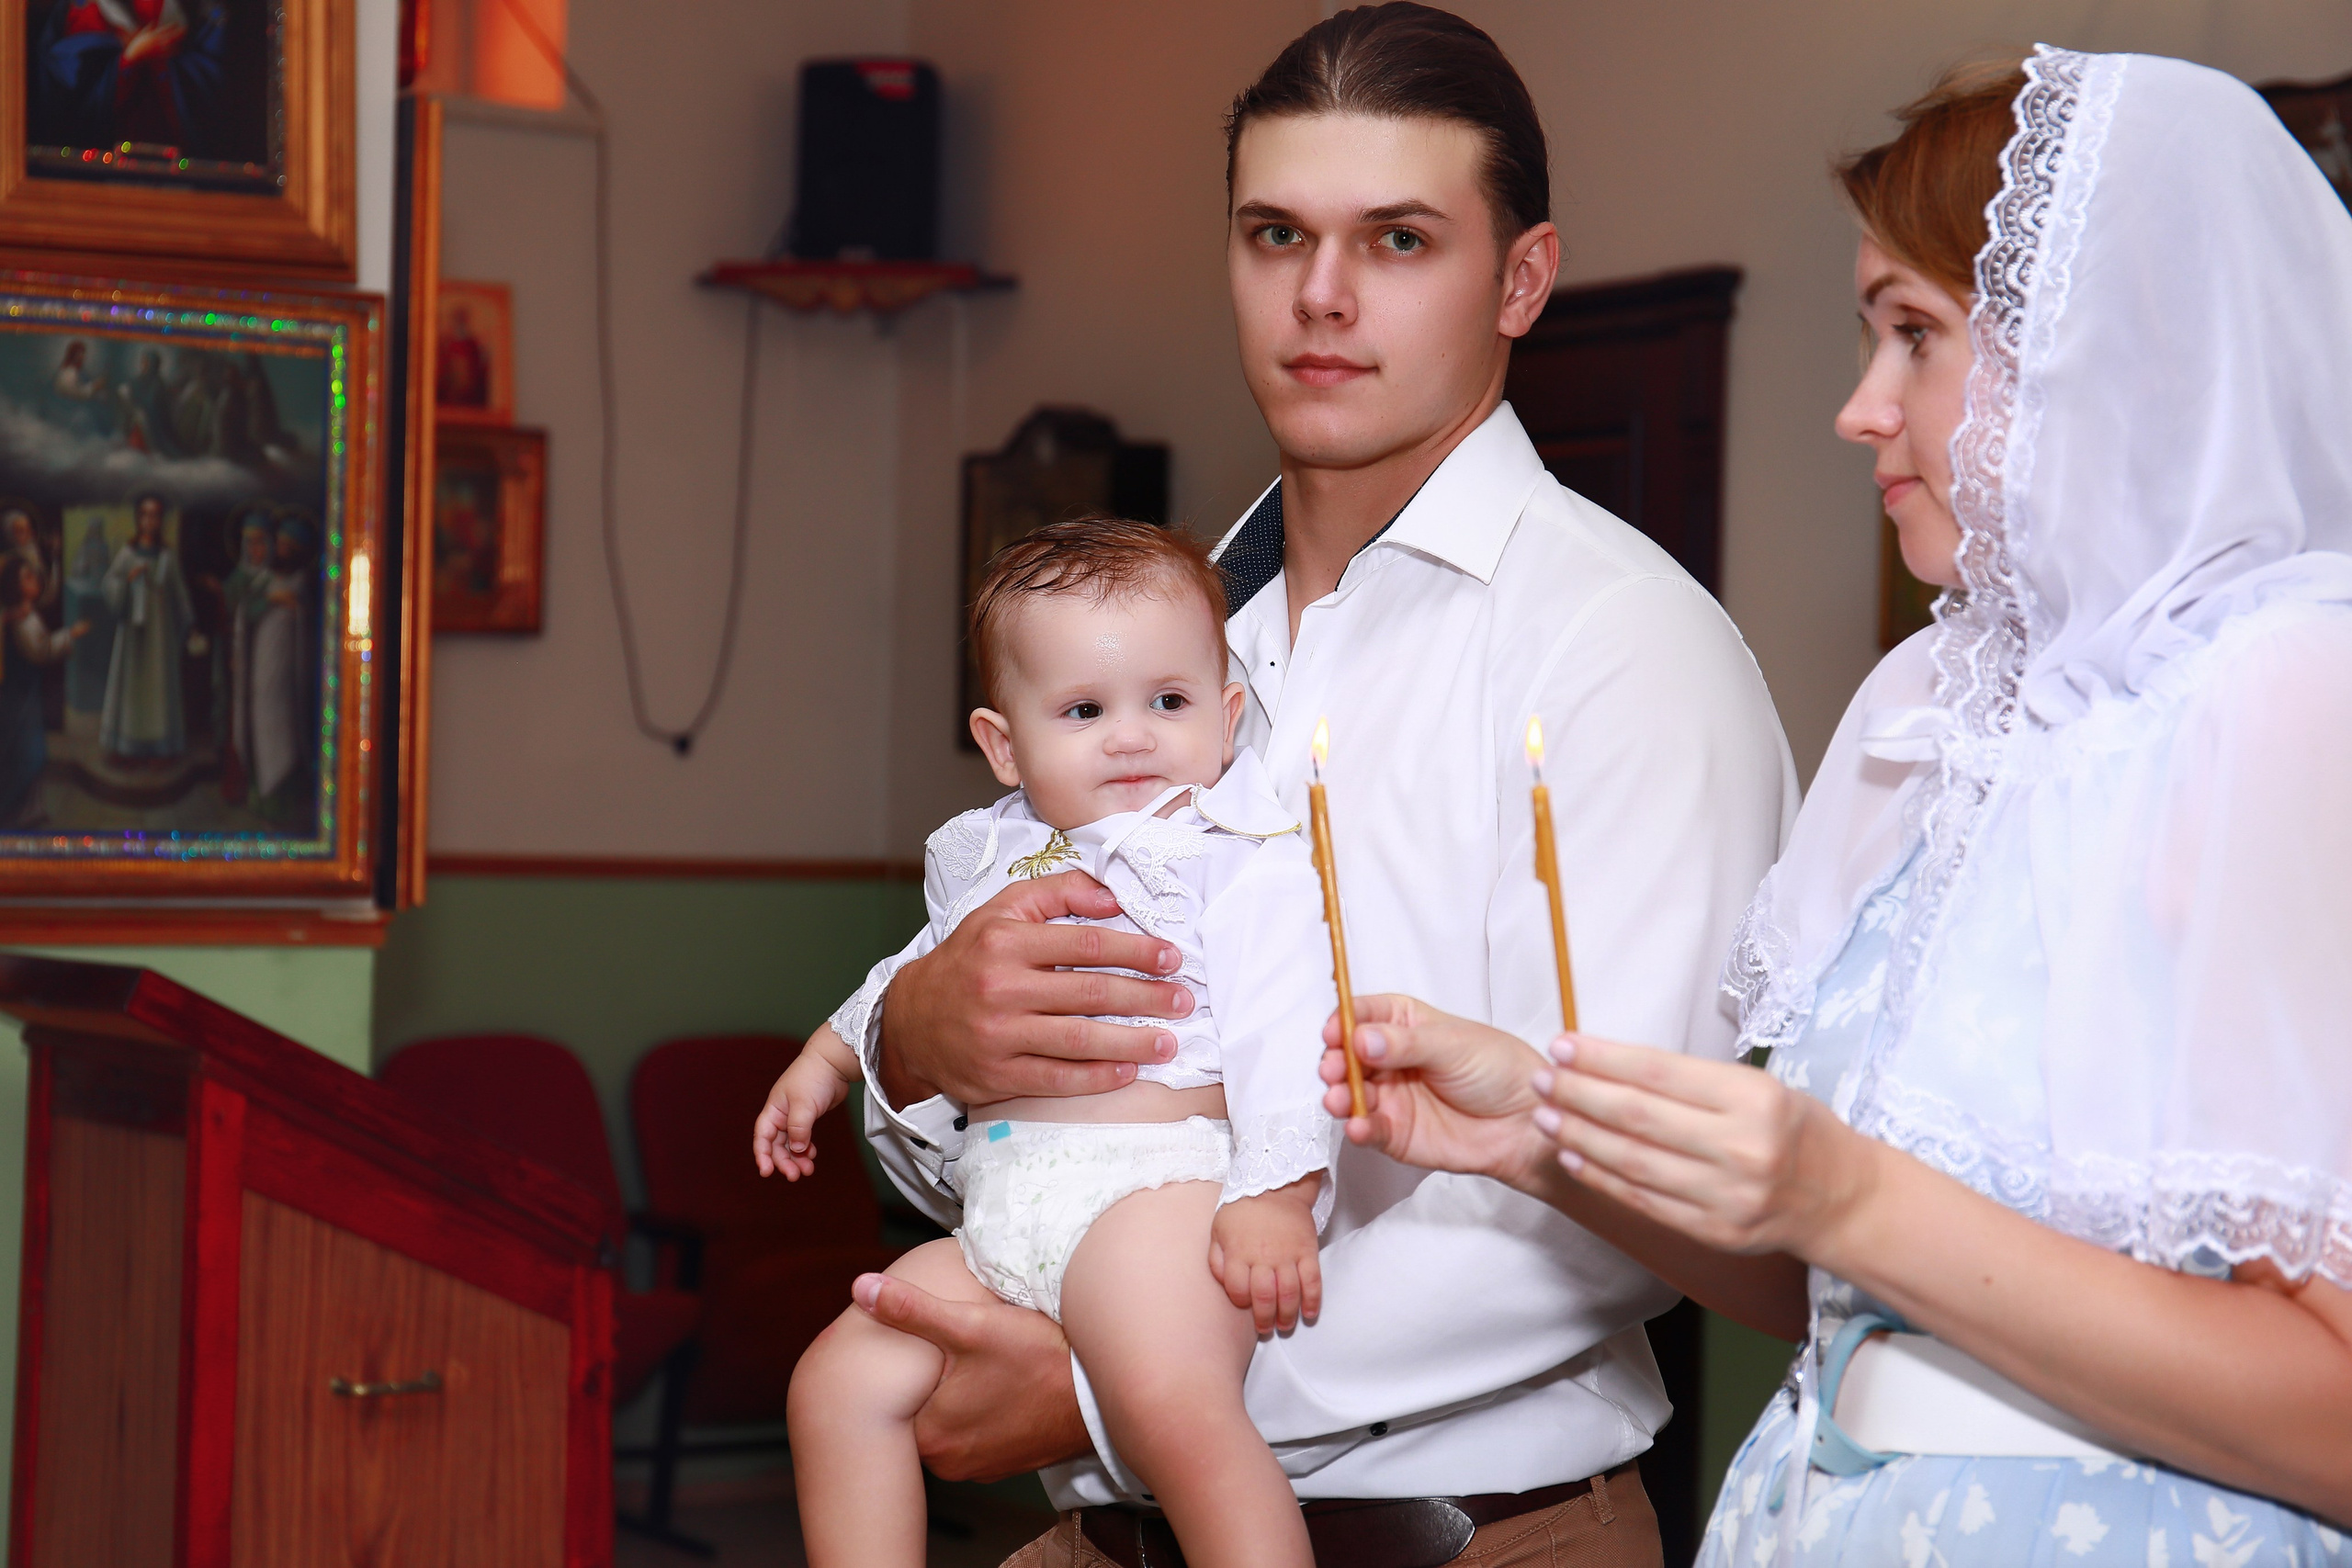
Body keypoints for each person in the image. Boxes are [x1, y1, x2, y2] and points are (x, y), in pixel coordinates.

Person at [1315, 49, 2352, 1566]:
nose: (1863, 410)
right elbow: (1827, 1283)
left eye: (1915, 334)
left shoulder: (2283, 696)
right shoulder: (1926, 711)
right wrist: (1539, 1126)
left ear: (2114, 349)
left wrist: (1851, 1194)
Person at [837, 7, 1793, 1566]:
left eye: (1398, 239)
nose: (1321, 296)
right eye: (1274, 233)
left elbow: (1611, 1217)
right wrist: (915, 1042)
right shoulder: (1154, 642)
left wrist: (1104, 1387)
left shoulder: (1626, 649)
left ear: (1522, 277)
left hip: (1461, 1530)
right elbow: (1043, 1126)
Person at [763, 518, 1337, 1568]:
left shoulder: (1234, 862)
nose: (1130, 736)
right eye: (1083, 709)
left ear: (1228, 712)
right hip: (1005, 1218)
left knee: (1175, 1411)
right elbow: (910, 974)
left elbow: (1286, 1029)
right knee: (836, 1383)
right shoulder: (991, 854)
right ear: (1003, 742)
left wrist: (1274, 1192)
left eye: (1168, 702)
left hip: (1151, 1201)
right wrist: (824, 1060)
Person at [100, 492, 203, 761]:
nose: (149, 520)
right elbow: (109, 583)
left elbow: (179, 594)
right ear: (138, 518)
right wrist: (127, 581)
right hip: (133, 638)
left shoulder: (168, 556)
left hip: (160, 638)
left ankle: (159, 750)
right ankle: (126, 749)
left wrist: (190, 624)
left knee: (159, 690)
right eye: (144, 514)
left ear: (161, 519)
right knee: (131, 690)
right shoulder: (128, 553)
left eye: (155, 514)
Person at [220, 509, 303, 809]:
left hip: (272, 667)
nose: (255, 550)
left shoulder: (280, 578)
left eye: (260, 543)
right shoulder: (241, 580)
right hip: (239, 667)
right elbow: (229, 612)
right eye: (249, 544)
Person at [0, 560, 90, 826]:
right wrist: (70, 635)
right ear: (14, 585)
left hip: (27, 693)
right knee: (29, 752)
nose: (34, 581)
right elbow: (42, 652)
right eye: (27, 577)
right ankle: (11, 812)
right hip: (20, 695)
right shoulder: (20, 618)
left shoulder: (26, 613)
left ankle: (30, 811)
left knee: (28, 752)